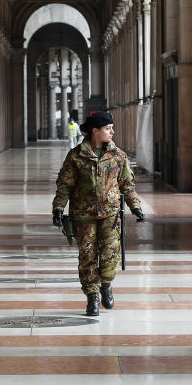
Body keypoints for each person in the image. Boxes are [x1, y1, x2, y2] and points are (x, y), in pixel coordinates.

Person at [51, 111, 145, 316]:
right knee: (87, 256)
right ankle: (92, 297)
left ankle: (106, 285)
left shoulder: (118, 155)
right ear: (95, 131)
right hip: (83, 215)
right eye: (108, 128)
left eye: (111, 128)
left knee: (110, 255)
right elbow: (65, 185)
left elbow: (127, 184)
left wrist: (135, 205)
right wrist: (58, 208)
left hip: (110, 215)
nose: (112, 131)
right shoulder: (76, 156)